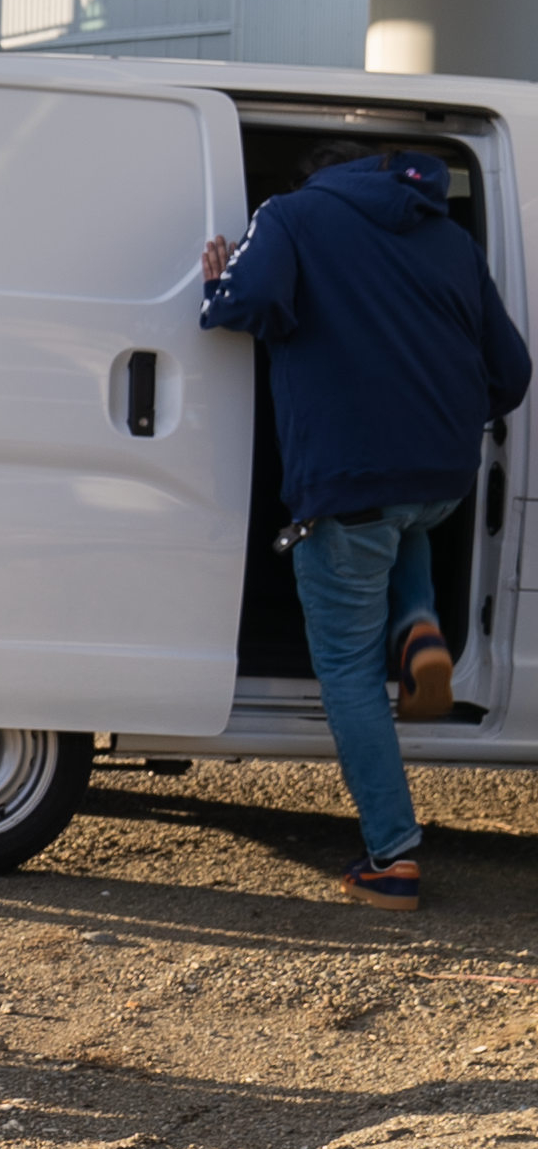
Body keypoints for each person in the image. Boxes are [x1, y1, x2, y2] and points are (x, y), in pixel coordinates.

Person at [200, 140, 529, 907]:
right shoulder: (450, 238)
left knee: (349, 675)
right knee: (406, 519)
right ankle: (418, 626)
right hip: (442, 478)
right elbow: (510, 372)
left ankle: (393, 856)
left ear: (313, 176)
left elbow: (245, 305)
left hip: (349, 486)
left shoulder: (290, 214)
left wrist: (217, 283)